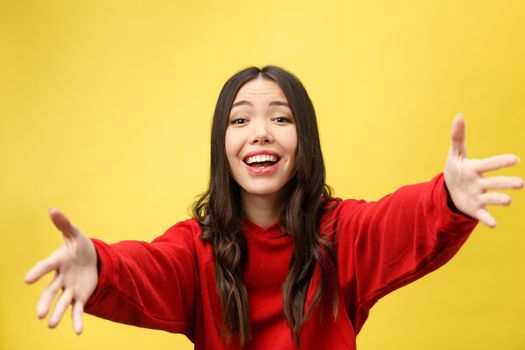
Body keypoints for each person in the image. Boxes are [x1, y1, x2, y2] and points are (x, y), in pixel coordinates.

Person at [25, 66, 523, 350]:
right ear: (222, 144)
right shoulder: (195, 250)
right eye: (240, 120)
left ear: (304, 139)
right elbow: (149, 267)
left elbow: (398, 219)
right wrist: (102, 265)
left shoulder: (340, 233)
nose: (260, 131)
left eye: (280, 117)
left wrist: (448, 198)